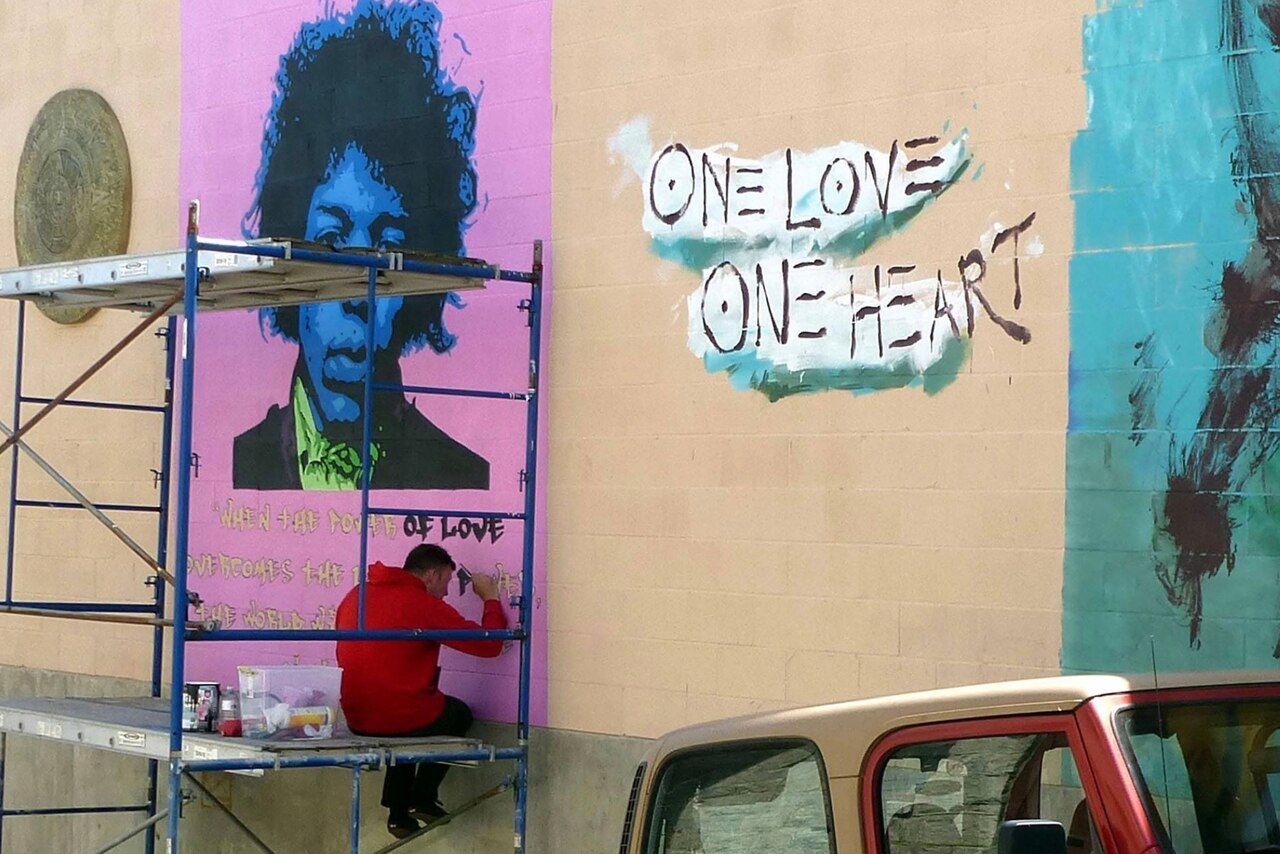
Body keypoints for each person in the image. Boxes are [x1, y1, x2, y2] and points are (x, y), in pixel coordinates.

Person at [231, 0, 489, 492]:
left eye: (388, 251)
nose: (358, 290)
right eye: (329, 241)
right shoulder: (244, 461)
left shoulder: (461, 474)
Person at [335, 543, 506, 839]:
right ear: (432, 575)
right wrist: (490, 599)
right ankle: (423, 797)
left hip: (357, 715)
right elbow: (490, 645)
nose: (447, 593)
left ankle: (398, 814)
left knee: (407, 718)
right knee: (452, 714)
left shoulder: (357, 594)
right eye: (447, 583)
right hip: (399, 716)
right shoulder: (420, 603)